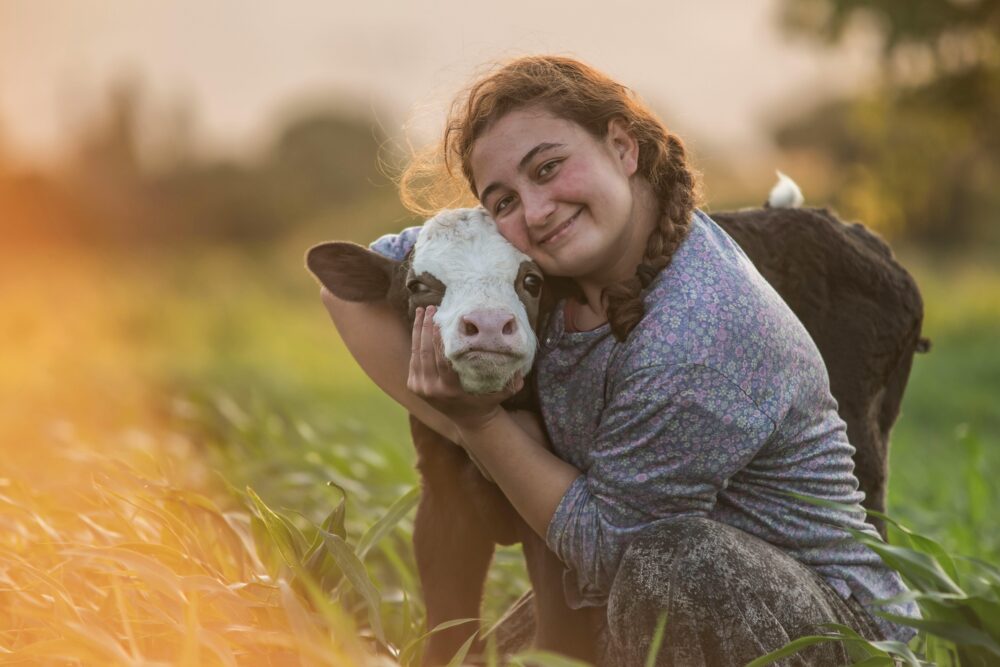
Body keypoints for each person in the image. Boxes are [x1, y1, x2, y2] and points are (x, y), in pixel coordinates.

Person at [322, 56, 919, 665]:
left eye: (549, 167)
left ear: (623, 146)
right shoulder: (545, 260)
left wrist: (480, 424)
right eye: (502, 201)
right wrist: (449, 419)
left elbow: (612, 549)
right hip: (637, 581)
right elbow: (349, 285)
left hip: (823, 623)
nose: (534, 211)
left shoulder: (698, 328)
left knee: (672, 563)